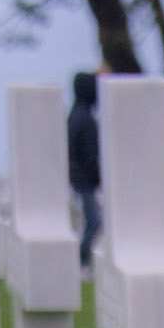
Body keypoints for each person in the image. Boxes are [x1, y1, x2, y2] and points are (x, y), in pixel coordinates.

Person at [67, 71, 101, 271]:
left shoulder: (75, 115)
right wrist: (95, 175)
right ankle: (80, 260)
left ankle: (82, 260)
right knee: (93, 222)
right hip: (84, 180)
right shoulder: (85, 119)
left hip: (79, 178)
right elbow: (88, 154)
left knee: (91, 222)